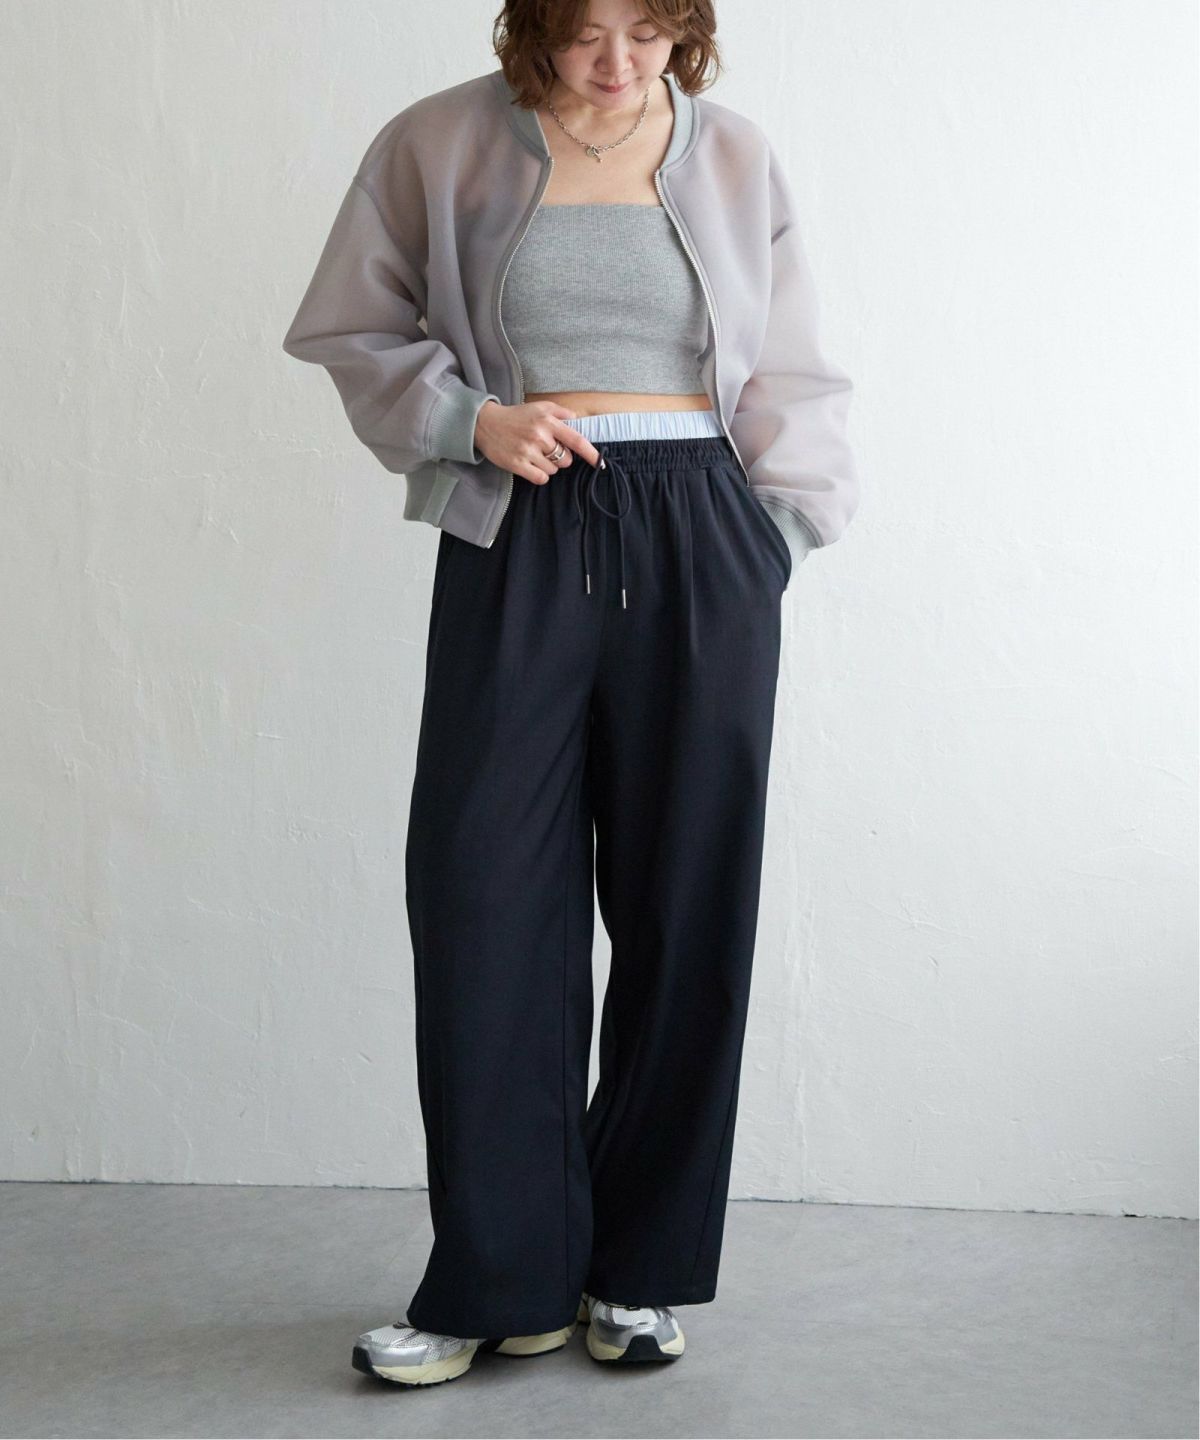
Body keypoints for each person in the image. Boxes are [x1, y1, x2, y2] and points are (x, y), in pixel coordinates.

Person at [282, 0, 860, 1389]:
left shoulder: (735, 157)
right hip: (519, 522)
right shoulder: (438, 144)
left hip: (703, 531)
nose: (618, 64)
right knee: (483, 893)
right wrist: (468, 420)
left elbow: (793, 364)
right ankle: (501, 1281)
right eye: (588, 30)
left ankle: (637, 1272)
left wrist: (776, 537)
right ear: (534, 23)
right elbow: (351, 322)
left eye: (650, 33)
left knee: (685, 899)